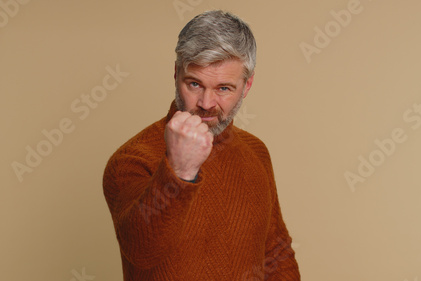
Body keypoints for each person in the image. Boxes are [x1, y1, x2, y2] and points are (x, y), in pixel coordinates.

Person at [103, 10, 301, 281]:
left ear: (247, 85)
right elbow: (141, 251)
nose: (207, 103)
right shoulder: (132, 159)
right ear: (176, 74)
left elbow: (276, 254)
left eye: (223, 88)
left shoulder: (256, 152)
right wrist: (179, 171)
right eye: (194, 84)